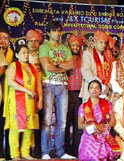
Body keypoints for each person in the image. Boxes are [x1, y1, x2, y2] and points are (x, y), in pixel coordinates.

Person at [39, 21, 75, 159]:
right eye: (54, 31)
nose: (58, 33)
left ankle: (60, 152)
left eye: (59, 31)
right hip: (48, 85)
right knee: (47, 120)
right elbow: (47, 67)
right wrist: (63, 67)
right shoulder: (44, 46)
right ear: (48, 32)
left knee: (63, 121)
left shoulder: (65, 48)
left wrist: (57, 64)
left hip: (63, 85)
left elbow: (71, 65)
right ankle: (45, 152)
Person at [3, 45, 42, 160]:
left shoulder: (33, 68)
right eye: (23, 53)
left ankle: (25, 152)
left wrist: (40, 99)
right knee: (15, 127)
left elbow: (38, 84)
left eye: (27, 53)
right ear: (16, 55)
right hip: (17, 102)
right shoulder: (13, 66)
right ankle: (14, 154)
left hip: (30, 101)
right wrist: (27, 90)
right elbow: (10, 82)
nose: (26, 55)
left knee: (29, 127)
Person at [78, 80, 120, 160]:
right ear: (88, 91)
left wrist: (105, 127)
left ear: (100, 91)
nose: (94, 89)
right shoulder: (83, 107)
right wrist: (93, 126)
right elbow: (80, 125)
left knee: (108, 154)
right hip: (90, 135)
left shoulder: (107, 104)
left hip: (104, 133)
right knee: (88, 155)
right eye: (92, 87)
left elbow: (113, 121)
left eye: (97, 87)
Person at [80, 30, 115, 103]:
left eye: (105, 43)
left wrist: (107, 85)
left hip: (105, 93)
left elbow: (110, 73)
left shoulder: (107, 57)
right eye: (101, 42)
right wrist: (100, 85)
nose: (104, 45)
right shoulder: (88, 54)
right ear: (95, 42)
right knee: (89, 114)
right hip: (90, 92)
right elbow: (86, 72)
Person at [26, 29, 44, 158]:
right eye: (30, 41)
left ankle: (37, 151)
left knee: (40, 123)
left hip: (42, 90)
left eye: (36, 41)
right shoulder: (23, 56)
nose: (33, 43)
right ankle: (25, 150)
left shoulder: (43, 55)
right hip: (26, 93)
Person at [65, 34, 83, 157]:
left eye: (77, 45)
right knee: (65, 122)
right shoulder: (65, 59)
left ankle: (77, 150)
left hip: (80, 94)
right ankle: (66, 150)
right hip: (66, 93)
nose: (75, 47)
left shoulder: (83, 58)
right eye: (73, 44)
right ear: (69, 46)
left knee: (78, 124)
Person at [0, 27, 14, 160]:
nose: (2, 40)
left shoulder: (14, 55)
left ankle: (10, 153)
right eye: (0, 37)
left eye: (5, 38)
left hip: (9, 95)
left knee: (9, 126)